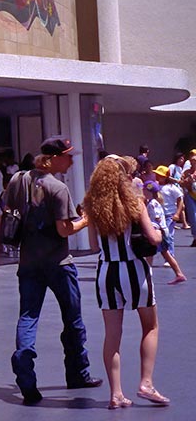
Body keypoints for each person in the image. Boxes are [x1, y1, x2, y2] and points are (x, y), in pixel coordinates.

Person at [7, 135, 101, 405]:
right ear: (55, 158)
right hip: (58, 263)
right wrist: (86, 219)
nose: (71, 161)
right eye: (68, 155)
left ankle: (25, 373)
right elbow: (64, 229)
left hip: (28, 261)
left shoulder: (17, 180)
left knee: (28, 317)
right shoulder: (58, 188)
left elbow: (8, 211)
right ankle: (78, 373)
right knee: (73, 320)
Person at [87, 156, 168, 408]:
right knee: (150, 326)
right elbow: (153, 238)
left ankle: (116, 394)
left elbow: (92, 245)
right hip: (134, 270)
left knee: (112, 334)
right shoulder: (135, 203)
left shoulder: (92, 206)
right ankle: (146, 383)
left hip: (106, 272)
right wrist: (158, 230)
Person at [149, 167, 187, 284]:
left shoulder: (171, 188)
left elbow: (180, 199)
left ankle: (147, 272)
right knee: (158, 249)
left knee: (167, 238)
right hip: (162, 220)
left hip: (168, 216)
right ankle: (176, 271)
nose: (157, 177)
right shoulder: (157, 188)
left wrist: (177, 213)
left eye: (160, 175)